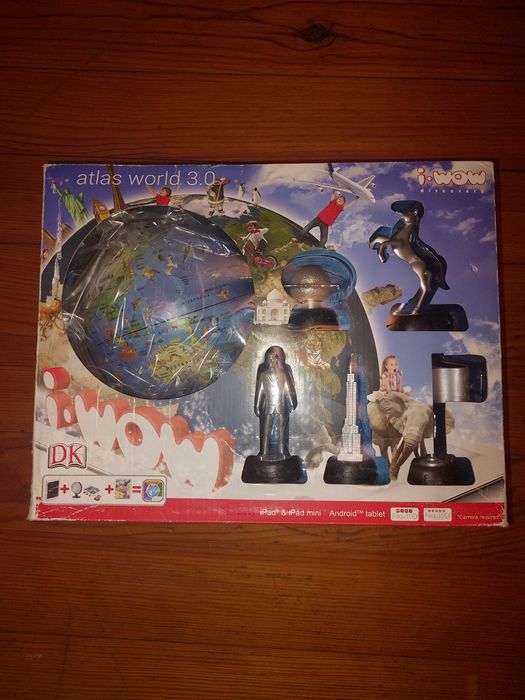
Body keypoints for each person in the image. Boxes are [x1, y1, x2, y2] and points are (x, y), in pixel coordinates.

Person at [255, 346, 297, 460]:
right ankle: (264, 452)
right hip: (268, 407)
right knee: (266, 430)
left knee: (282, 431)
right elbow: (260, 391)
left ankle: (282, 451)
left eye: (275, 358)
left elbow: (288, 390)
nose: (273, 361)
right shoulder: (264, 375)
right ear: (268, 360)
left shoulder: (283, 375)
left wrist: (292, 403)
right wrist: (257, 406)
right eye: (271, 358)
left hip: (281, 405)